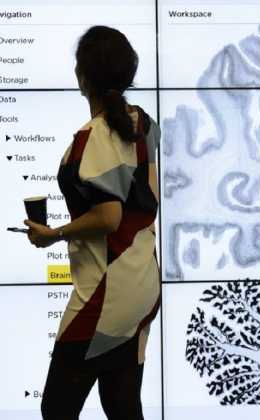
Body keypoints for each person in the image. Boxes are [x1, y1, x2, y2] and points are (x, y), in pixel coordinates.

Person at [24, 26, 161, 420]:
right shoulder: (143, 123)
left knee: (57, 409)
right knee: (121, 405)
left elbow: (109, 216)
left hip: (105, 292)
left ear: (81, 77)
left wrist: (55, 234)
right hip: (142, 282)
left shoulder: (94, 137)